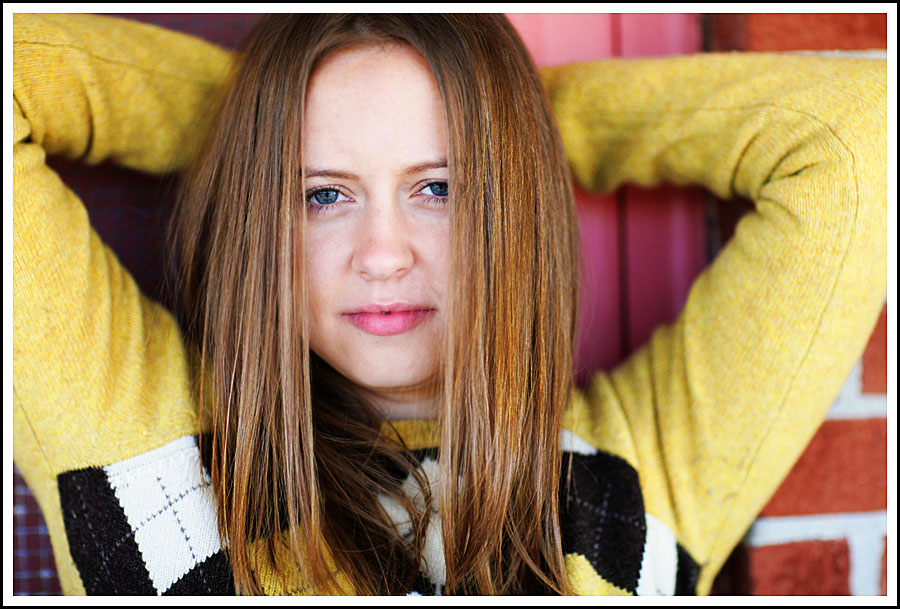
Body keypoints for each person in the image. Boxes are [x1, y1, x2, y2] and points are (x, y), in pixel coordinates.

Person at [12, 13, 886, 596]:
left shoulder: (641, 479)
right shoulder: (145, 447)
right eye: (323, 193)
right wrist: (251, 124)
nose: (383, 254)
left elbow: (858, 135)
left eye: (441, 187)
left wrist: (520, 126)